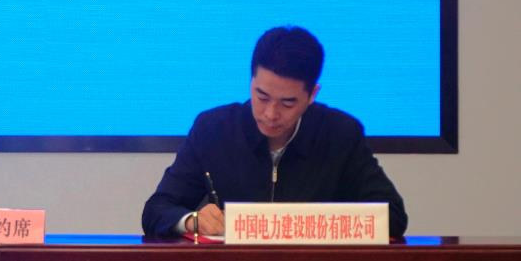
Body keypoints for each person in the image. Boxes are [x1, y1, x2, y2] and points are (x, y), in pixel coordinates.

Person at [141, 26, 408, 238]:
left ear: (312, 95)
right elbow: (157, 210)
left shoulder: (340, 134)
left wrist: (321, 223)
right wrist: (193, 220)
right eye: (262, 96)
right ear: (251, 81)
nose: (270, 113)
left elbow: (393, 216)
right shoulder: (213, 130)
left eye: (287, 103)